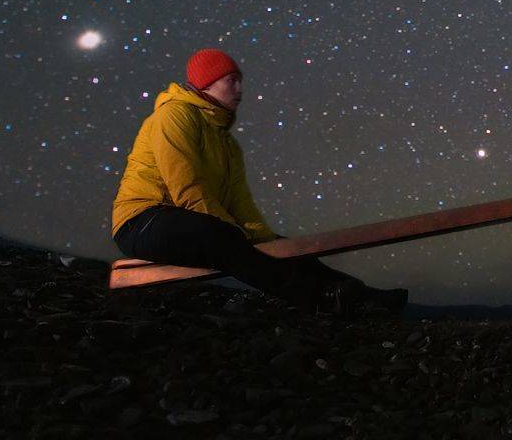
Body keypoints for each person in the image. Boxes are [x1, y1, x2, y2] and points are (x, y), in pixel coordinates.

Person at [111, 48, 407, 318]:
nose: (240, 89)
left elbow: (240, 202)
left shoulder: (226, 143)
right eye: (231, 81)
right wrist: (235, 234)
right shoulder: (174, 115)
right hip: (141, 221)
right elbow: (186, 186)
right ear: (207, 83)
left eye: (240, 81)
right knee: (222, 237)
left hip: (195, 220)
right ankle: (319, 299)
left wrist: (264, 238)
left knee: (282, 246)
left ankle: (362, 295)